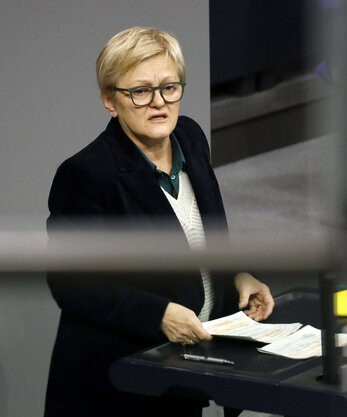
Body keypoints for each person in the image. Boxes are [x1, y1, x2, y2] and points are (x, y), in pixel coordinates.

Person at [44, 27, 275, 417]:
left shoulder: (191, 138)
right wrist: (159, 316)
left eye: (169, 87)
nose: (159, 103)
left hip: (188, 370)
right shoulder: (86, 174)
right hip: (119, 386)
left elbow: (204, 234)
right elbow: (71, 283)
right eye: (140, 91)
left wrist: (239, 275)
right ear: (110, 100)